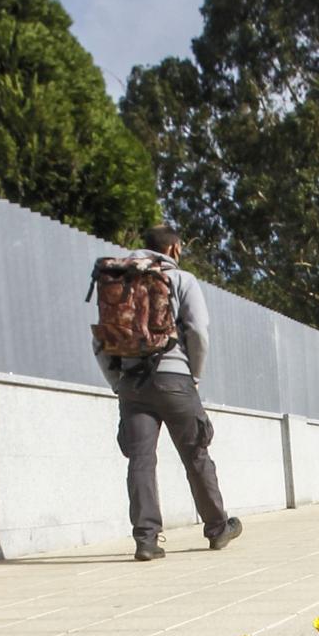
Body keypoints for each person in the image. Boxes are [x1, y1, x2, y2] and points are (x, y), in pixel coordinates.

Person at [94, 225, 242, 561]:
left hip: (132, 383)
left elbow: (100, 341)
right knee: (196, 454)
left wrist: (117, 382)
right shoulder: (181, 279)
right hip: (175, 379)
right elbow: (198, 331)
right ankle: (218, 528)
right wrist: (194, 376)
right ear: (173, 249)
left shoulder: (116, 280)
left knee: (141, 460)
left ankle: (146, 540)